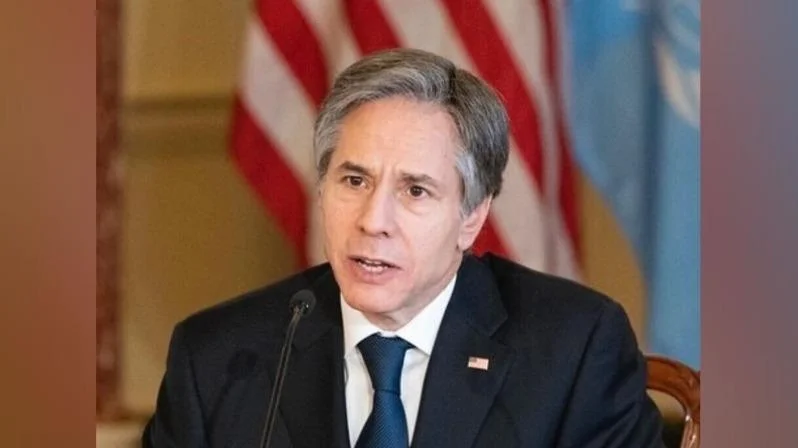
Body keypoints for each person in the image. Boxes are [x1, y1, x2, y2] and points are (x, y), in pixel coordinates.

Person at [142, 48, 665, 448]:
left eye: (415, 191)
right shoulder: (217, 359)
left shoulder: (572, 350)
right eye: (354, 181)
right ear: (321, 190)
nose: (373, 221)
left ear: (471, 217)